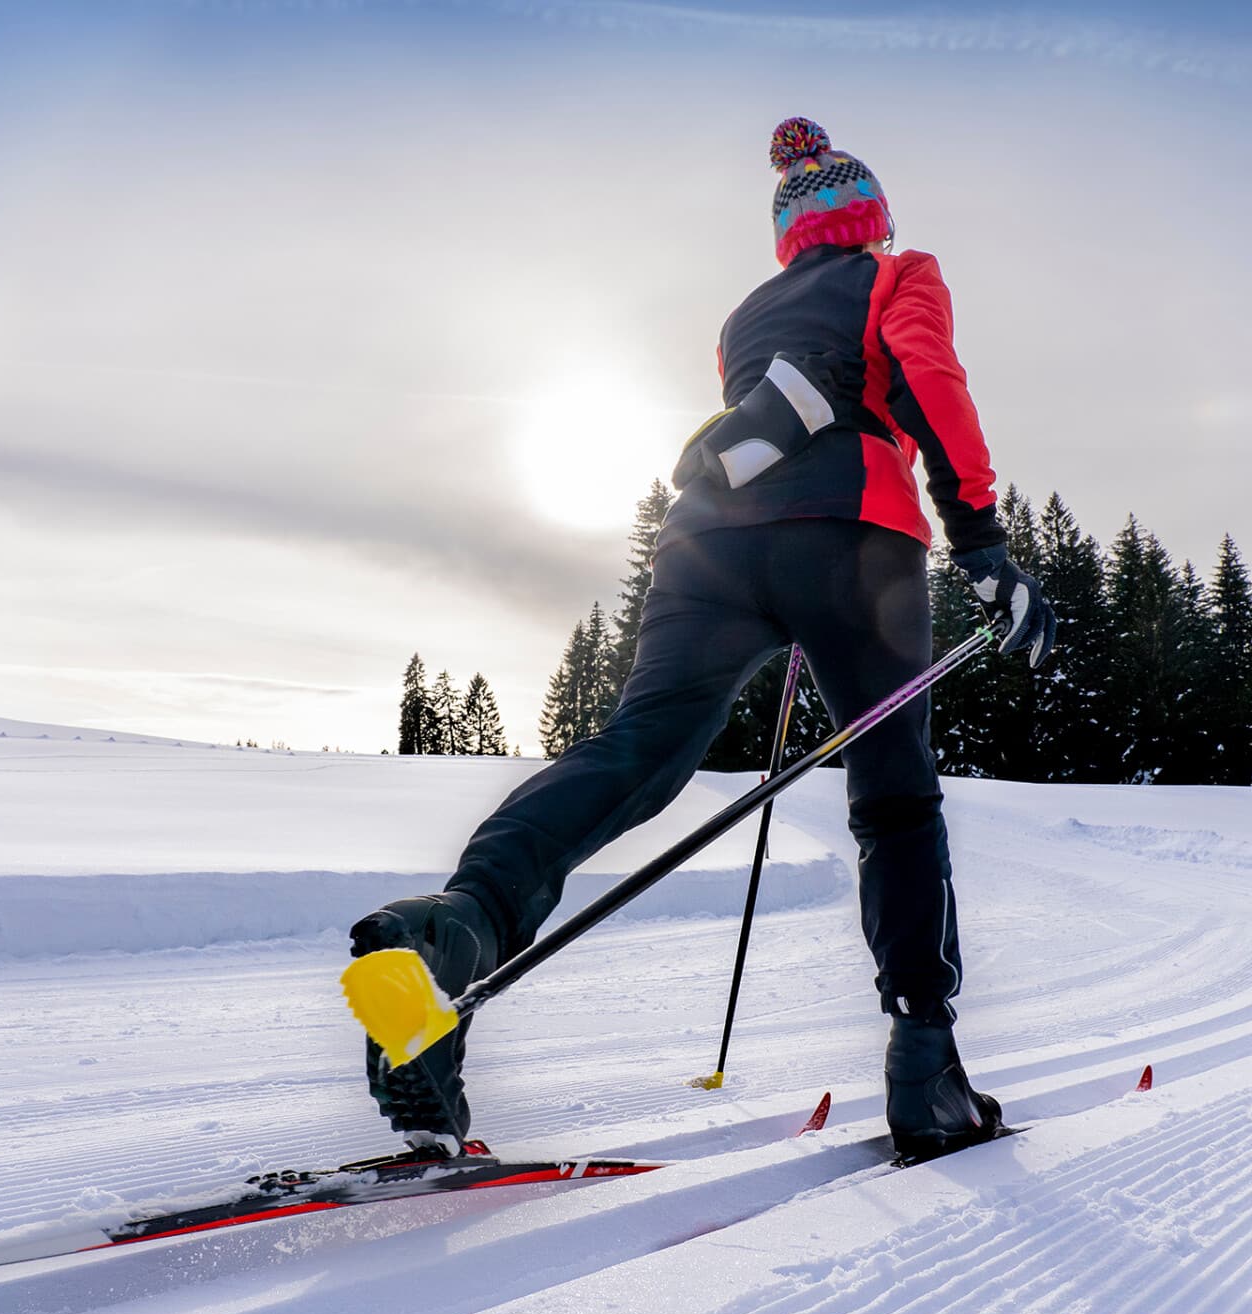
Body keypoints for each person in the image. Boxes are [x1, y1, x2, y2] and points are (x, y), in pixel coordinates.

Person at [350, 117, 1057, 1163]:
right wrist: (984, 543)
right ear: (871, 216)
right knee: (895, 797)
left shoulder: (744, 317)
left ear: (788, 235)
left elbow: (772, 418)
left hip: (708, 541)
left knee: (637, 751)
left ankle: (457, 925)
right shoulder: (898, 273)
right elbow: (925, 377)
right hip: (855, 540)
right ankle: (925, 1065)